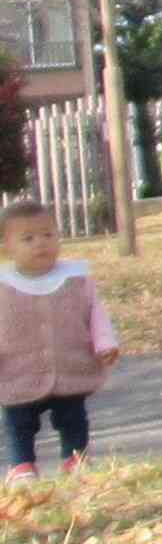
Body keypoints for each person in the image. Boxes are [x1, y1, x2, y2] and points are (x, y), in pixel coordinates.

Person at [0, 200, 120, 482]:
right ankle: (22, 466)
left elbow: (95, 312)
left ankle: (75, 458)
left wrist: (104, 343)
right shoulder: (3, 286)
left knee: (74, 417)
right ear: (7, 246)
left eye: (48, 235)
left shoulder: (76, 279)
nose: (40, 244)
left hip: (69, 364)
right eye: (28, 238)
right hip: (17, 370)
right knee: (18, 422)